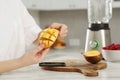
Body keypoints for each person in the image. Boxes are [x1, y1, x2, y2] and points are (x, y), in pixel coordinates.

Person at [0, 0, 68, 74]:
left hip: (17, 74)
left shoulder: (15, 2)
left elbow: (35, 37)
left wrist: (52, 33)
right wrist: (21, 62)